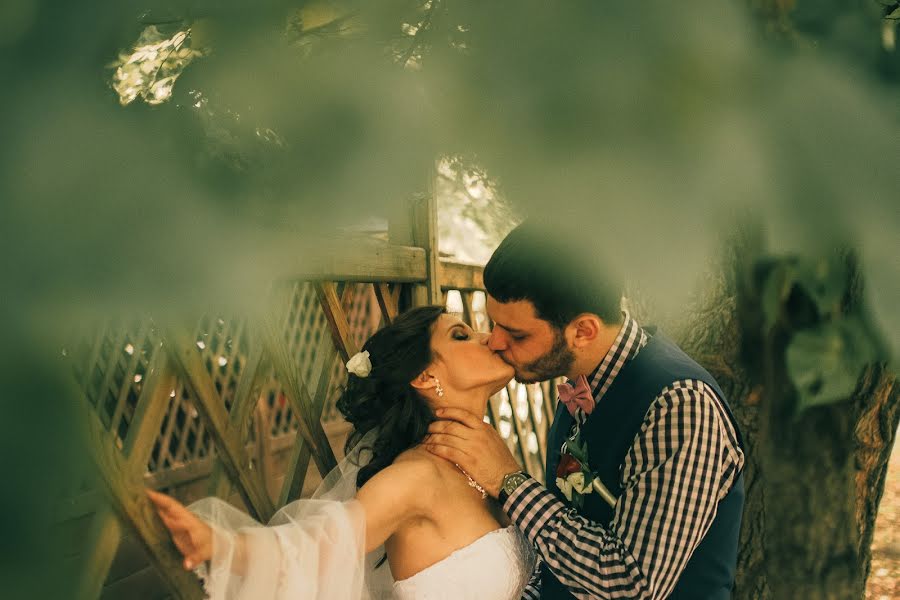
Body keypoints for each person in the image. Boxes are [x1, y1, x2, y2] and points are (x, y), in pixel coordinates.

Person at [425, 219, 746, 599]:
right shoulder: (582, 380)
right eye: (495, 324)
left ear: (584, 331)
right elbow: (565, 546)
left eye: (517, 334)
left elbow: (629, 584)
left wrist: (509, 481)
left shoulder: (680, 407)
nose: (494, 341)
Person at [147, 305, 536, 600]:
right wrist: (223, 545)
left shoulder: (486, 460)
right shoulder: (414, 477)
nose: (489, 338)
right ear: (425, 376)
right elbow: (320, 545)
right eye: (461, 335)